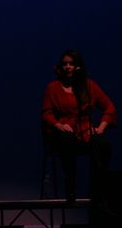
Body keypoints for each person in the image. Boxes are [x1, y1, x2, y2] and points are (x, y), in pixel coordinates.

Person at [41, 49, 117, 203]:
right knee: (66, 139)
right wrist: (58, 125)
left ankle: (96, 190)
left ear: (78, 66)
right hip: (64, 134)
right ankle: (70, 185)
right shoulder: (53, 87)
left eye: (71, 63)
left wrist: (100, 128)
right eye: (65, 64)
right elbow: (46, 113)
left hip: (85, 132)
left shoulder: (89, 85)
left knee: (104, 145)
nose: (68, 66)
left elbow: (110, 107)